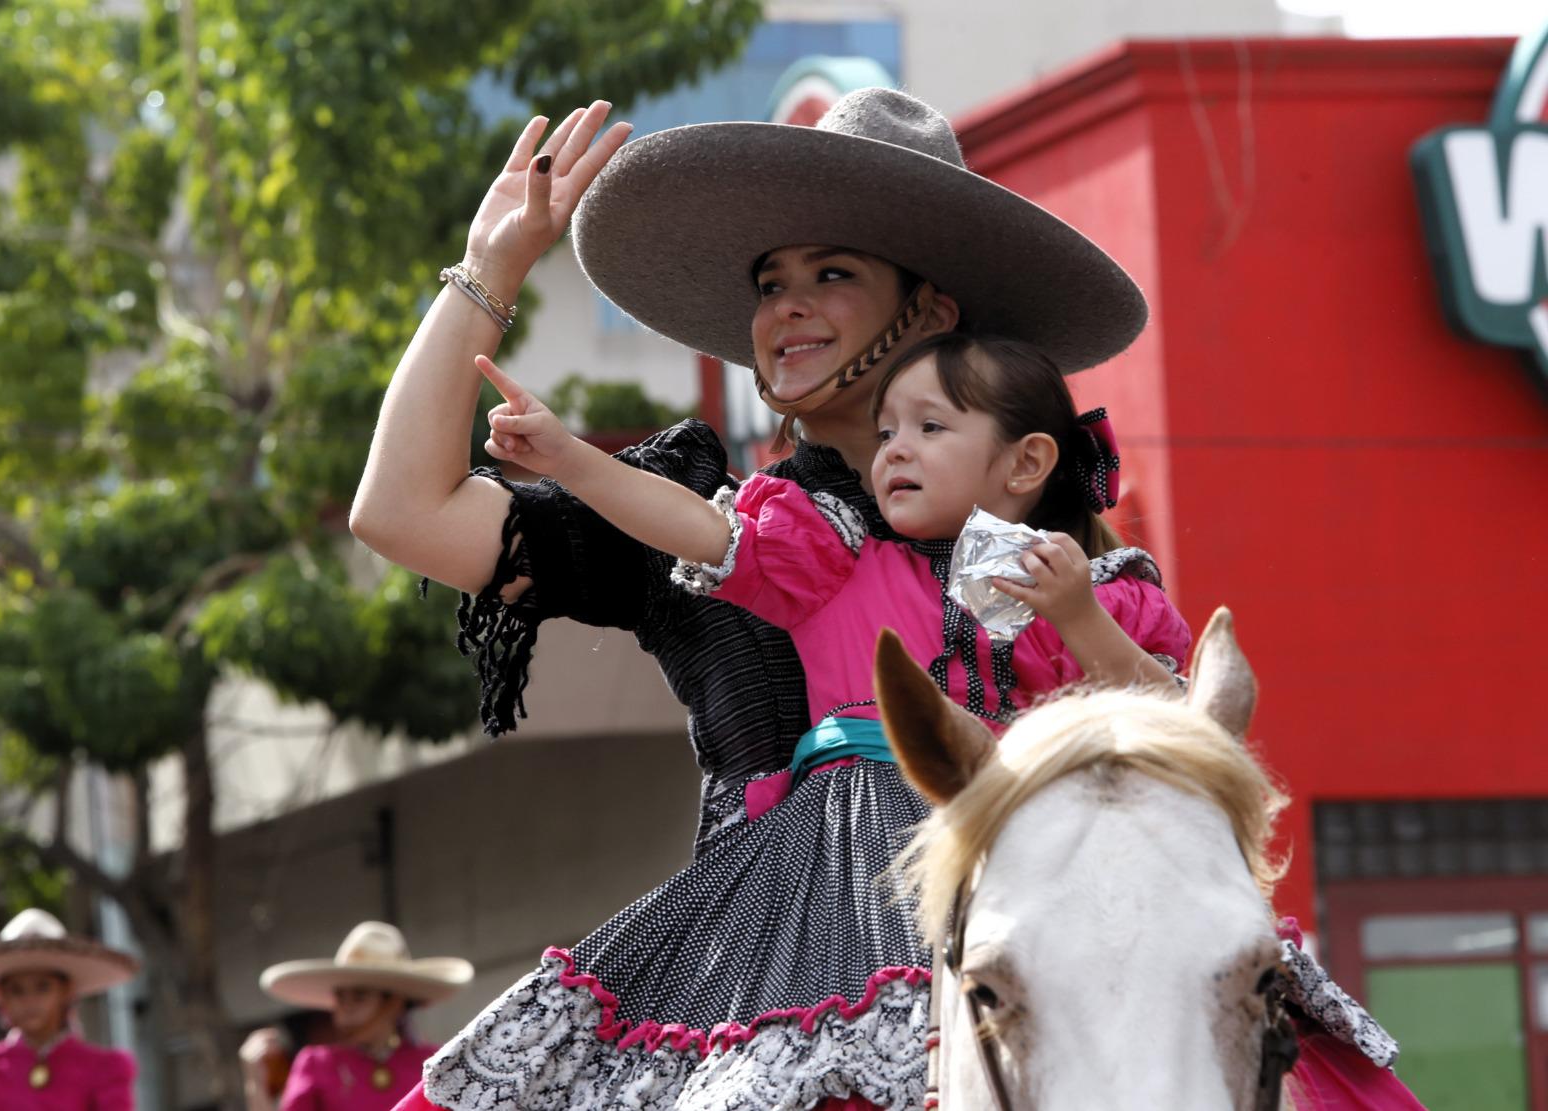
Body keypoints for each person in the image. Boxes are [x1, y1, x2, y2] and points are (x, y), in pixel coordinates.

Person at [353, 89, 1417, 1109]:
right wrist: (486, 274)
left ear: (929, 310)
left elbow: (1172, 743)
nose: (785, 308)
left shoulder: (1061, 557)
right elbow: (399, 514)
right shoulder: (705, 516)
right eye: (770, 282)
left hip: (1077, 977)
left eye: (831, 273)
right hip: (774, 982)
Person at [475, 330, 1189, 757]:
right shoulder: (830, 562)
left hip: (1034, 855)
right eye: (887, 433)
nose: (895, 451)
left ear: (1026, 462)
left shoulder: (1102, 595)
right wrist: (567, 456)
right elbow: (692, 525)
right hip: (851, 875)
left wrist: (1078, 616)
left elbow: (1181, 730)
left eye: (929, 428)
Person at [239, 921, 474, 1111]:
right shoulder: (317, 1064)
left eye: (359, 996)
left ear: (393, 1002)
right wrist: (255, 1084)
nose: (346, 1006)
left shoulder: (435, 1063)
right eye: (341, 997)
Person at [0, 908, 138, 1110]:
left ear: (66, 991)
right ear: (1, 997)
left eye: (43, 987)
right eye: (16, 990)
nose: (29, 1001)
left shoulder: (105, 1068)